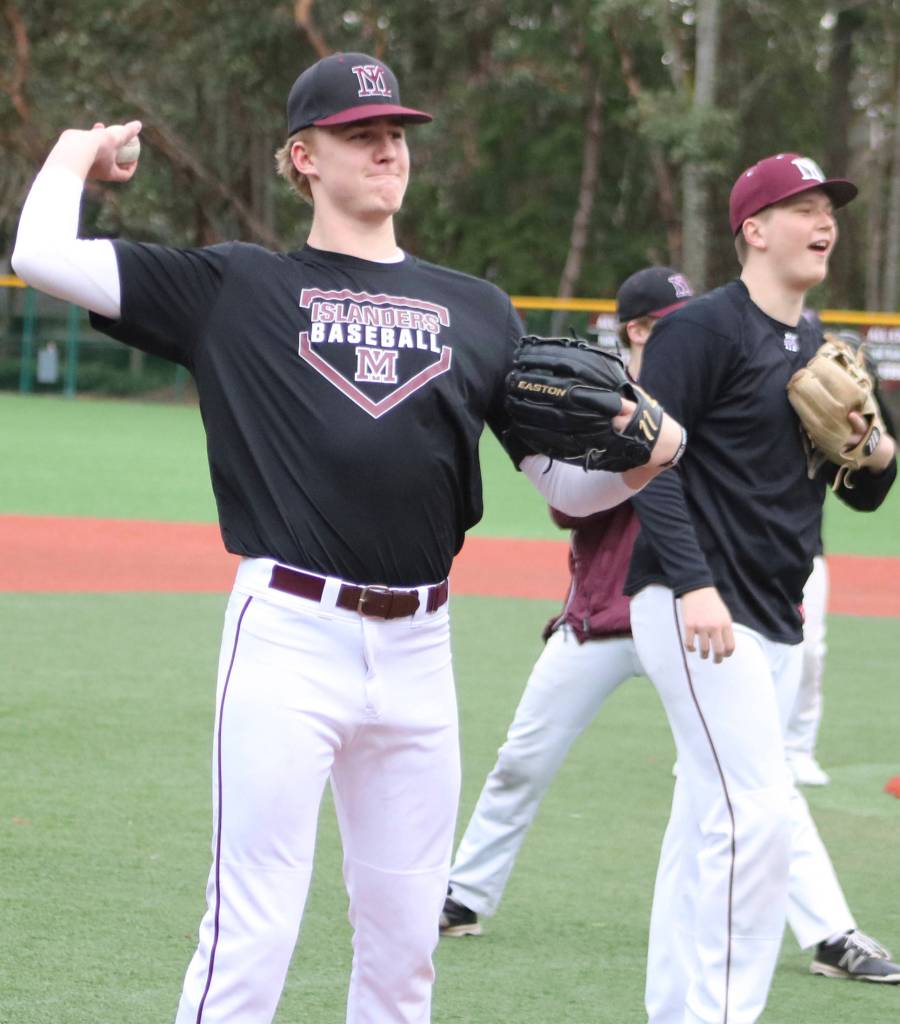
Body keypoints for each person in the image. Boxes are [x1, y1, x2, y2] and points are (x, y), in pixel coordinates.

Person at [11, 53, 685, 1024]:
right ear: (303, 157)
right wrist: (77, 154)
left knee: (407, 948)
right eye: (359, 132)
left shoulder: (480, 310)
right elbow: (39, 253)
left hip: (420, 650)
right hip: (289, 633)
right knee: (252, 930)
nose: (385, 147)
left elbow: (568, 495)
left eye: (396, 132)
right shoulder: (236, 288)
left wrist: (651, 452)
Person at [624, 153, 899, 1023]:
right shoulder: (699, 331)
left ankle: (677, 1011)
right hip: (698, 605)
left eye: (830, 208)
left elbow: (859, 490)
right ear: (753, 228)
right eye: (803, 206)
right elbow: (645, 459)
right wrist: (692, 584)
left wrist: (882, 450)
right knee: (756, 818)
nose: (824, 221)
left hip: (775, 609)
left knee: (707, 817)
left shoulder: (822, 347)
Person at [440, 266, 693, 937]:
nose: (685, 328)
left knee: (734, 773)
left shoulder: (708, 390)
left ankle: (819, 929)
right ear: (637, 328)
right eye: (671, 316)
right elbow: (567, 509)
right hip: (601, 613)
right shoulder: (599, 389)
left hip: (691, 610)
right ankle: (464, 893)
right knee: (521, 758)